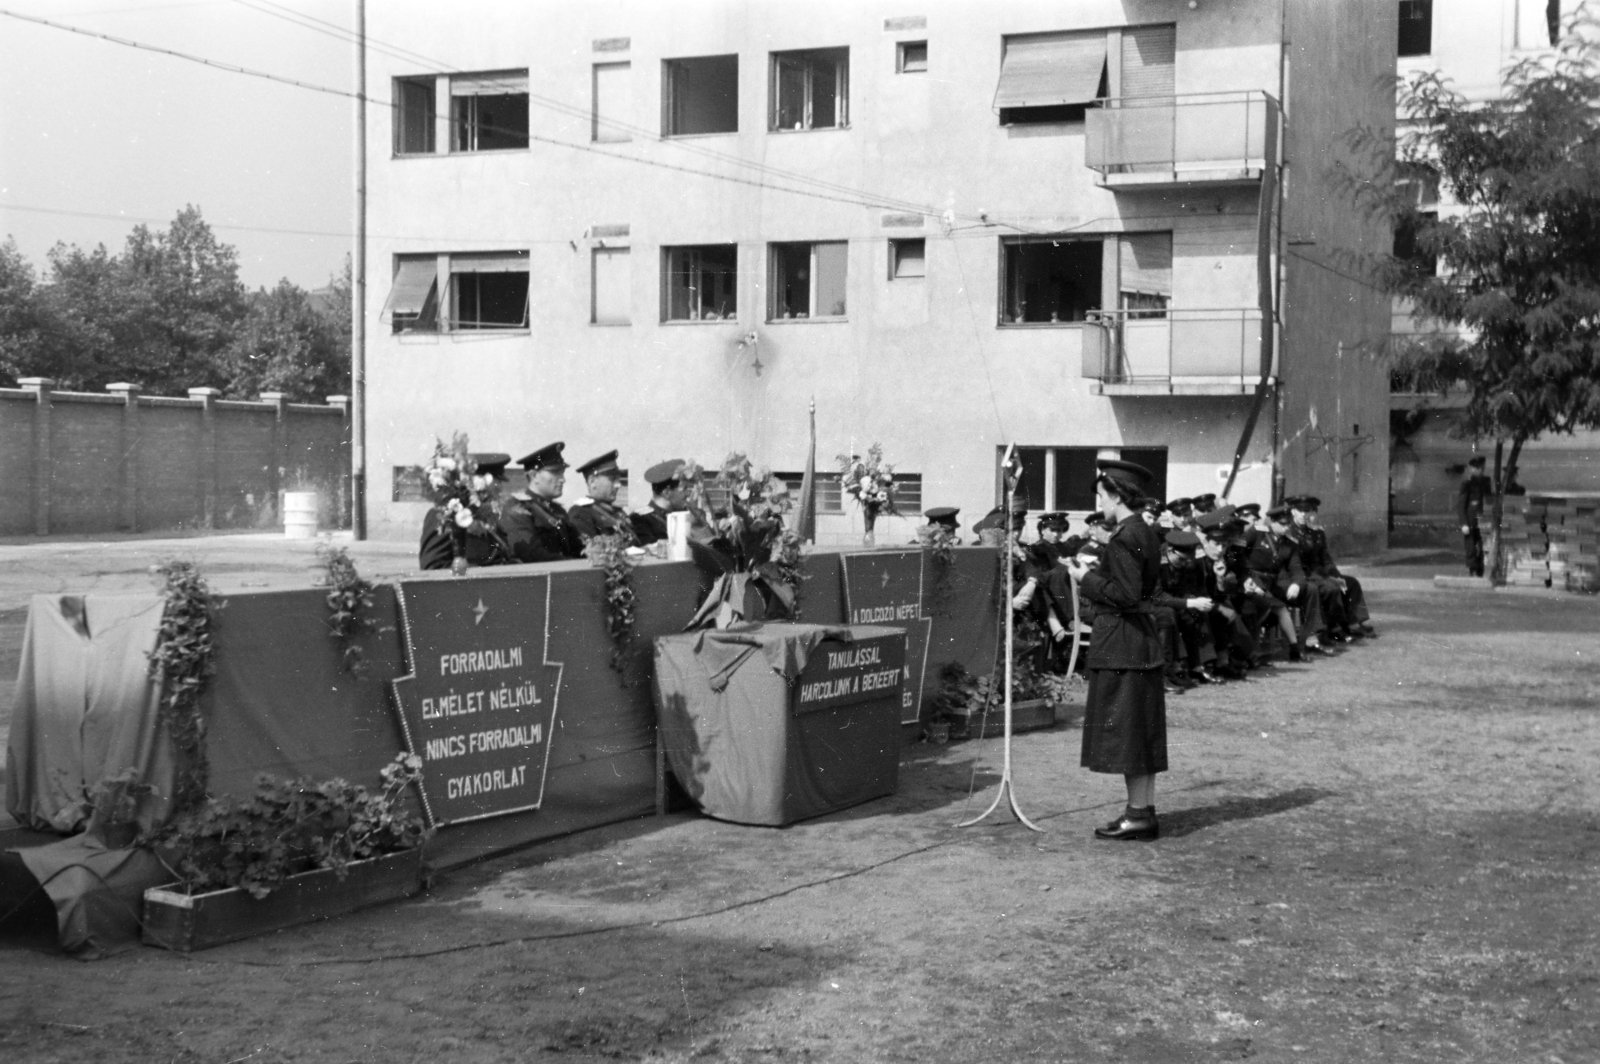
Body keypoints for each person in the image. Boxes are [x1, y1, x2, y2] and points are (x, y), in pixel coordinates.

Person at [1064, 459, 1167, 842]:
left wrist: (1085, 577)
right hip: (1137, 642)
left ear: (1117, 495)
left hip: (1123, 644)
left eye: (1103, 496)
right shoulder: (1143, 530)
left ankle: (1139, 815)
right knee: (1139, 733)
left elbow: (1124, 596)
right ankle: (1141, 811)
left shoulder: (1124, 535)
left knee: (1129, 734)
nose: (1101, 504)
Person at [418, 452, 516, 571]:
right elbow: (432, 566)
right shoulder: (445, 515)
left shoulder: (487, 514)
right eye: (497, 480)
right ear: (478, 481)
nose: (500, 487)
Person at [498, 442, 585, 563]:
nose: (563, 479)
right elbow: (530, 554)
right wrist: (572, 563)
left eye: (562, 472)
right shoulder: (517, 507)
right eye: (555, 472)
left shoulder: (557, 511)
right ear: (534, 476)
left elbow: (579, 548)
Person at [567, 450, 635, 542]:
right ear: (592, 482)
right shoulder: (580, 513)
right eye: (612, 479)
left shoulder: (618, 511)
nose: (618, 485)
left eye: (619, 480)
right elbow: (592, 550)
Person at [631, 459, 690, 545]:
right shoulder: (640, 519)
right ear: (666, 493)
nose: (688, 494)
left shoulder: (684, 514)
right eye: (684, 489)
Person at [1457, 455, 1493, 577]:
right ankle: (1472, 569)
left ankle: (1480, 569)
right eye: (1476, 468)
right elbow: (1461, 505)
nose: (1479, 470)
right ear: (1472, 469)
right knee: (1471, 547)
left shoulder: (1486, 482)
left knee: (1484, 546)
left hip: (1484, 519)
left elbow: (1489, 499)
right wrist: (1464, 523)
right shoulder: (1467, 484)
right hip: (1471, 519)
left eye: (1481, 468)